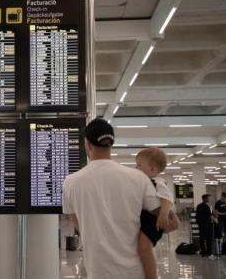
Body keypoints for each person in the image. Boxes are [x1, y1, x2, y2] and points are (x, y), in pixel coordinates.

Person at [63, 118, 171, 279]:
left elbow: (79, 224)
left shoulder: (70, 182)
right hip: (135, 272)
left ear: (87, 144)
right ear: (111, 143)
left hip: (97, 271)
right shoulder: (138, 178)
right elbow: (168, 222)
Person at [135, 148, 179, 279]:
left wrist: (163, 214)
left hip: (155, 219)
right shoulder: (141, 182)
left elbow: (167, 200)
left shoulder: (158, 182)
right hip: (147, 217)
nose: (136, 167)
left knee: (144, 247)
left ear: (153, 170)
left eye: (139, 165)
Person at [196, 194, 215, 259]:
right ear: (205, 199)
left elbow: (197, 216)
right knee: (208, 239)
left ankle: (203, 253)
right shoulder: (207, 206)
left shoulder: (198, 206)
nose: (209, 199)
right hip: (207, 225)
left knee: (202, 238)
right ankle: (209, 253)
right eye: (208, 198)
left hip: (201, 225)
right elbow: (210, 216)